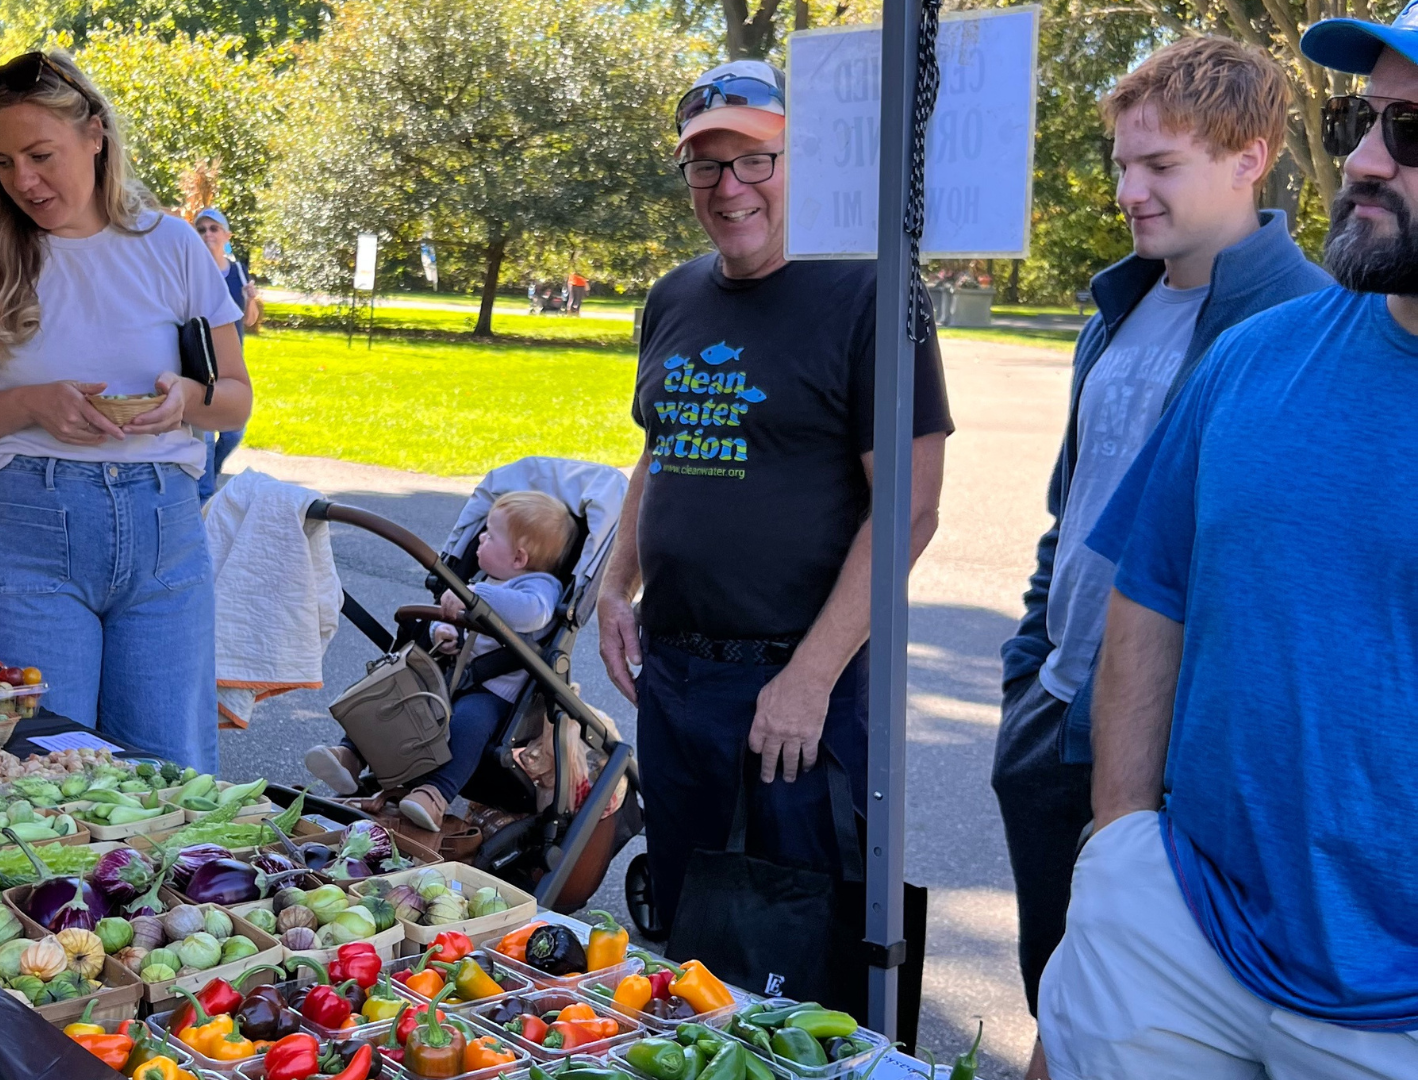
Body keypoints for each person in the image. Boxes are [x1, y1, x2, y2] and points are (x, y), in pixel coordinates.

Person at [1035, 13, 1418, 1078]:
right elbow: (1149, 588)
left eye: (1412, 133)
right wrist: (1119, 842)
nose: (1366, 160)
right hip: (1179, 936)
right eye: (1359, 121)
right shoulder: (1255, 357)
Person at [991, 37, 1332, 1080]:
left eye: (1162, 167)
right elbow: (1071, 506)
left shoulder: (1306, 328)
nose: (1130, 191)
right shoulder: (1120, 307)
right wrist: (1029, 669)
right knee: (1060, 992)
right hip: (1054, 709)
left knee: (1148, 1032)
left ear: (1250, 159)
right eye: (1124, 164)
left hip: (1170, 750)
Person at [594, 59, 952, 935]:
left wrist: (811, 677)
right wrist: (614, 583)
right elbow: (661, 448)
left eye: (757, 159)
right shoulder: (673, 296)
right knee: (685, 929)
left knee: (790, 945)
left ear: (806, 162)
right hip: (675, 682)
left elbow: (910, 505)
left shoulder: (873, 293)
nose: (729, 187)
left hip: (795, 690)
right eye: (707, 164)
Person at [0, 50, 248, 770]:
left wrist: (186, 398)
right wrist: (31, 405)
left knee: (168, 773)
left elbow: (234, 399)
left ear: (96, 134)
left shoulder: (174, 246)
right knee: (38, 765)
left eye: (39, 154)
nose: (23, 180)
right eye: (1, 162)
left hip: (164, 529)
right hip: (28, 525)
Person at [304, 490, 580, 829]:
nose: (480, 537)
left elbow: (532, 615)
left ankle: (435, 794)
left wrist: (472, 596)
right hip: (449, 675)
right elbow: (450, 616)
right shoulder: (487, 580)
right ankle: (350, 755)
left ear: (519, 558)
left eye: (491, 535)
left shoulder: (539, 587)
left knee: (468, 724)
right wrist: (440, 631)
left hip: (493, 693)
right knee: (394, 695)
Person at [192, 207, 259, 502]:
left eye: (213, 229)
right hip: (200, 363)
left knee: (233, 432)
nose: (208, 234)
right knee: (205, 435)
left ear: (226, 235)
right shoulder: (190, 270)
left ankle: (213, 472)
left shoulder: (238, 272)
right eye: (201, 229)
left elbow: (249, 320)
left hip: (231, 364)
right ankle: (204, 496)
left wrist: (252, 300)